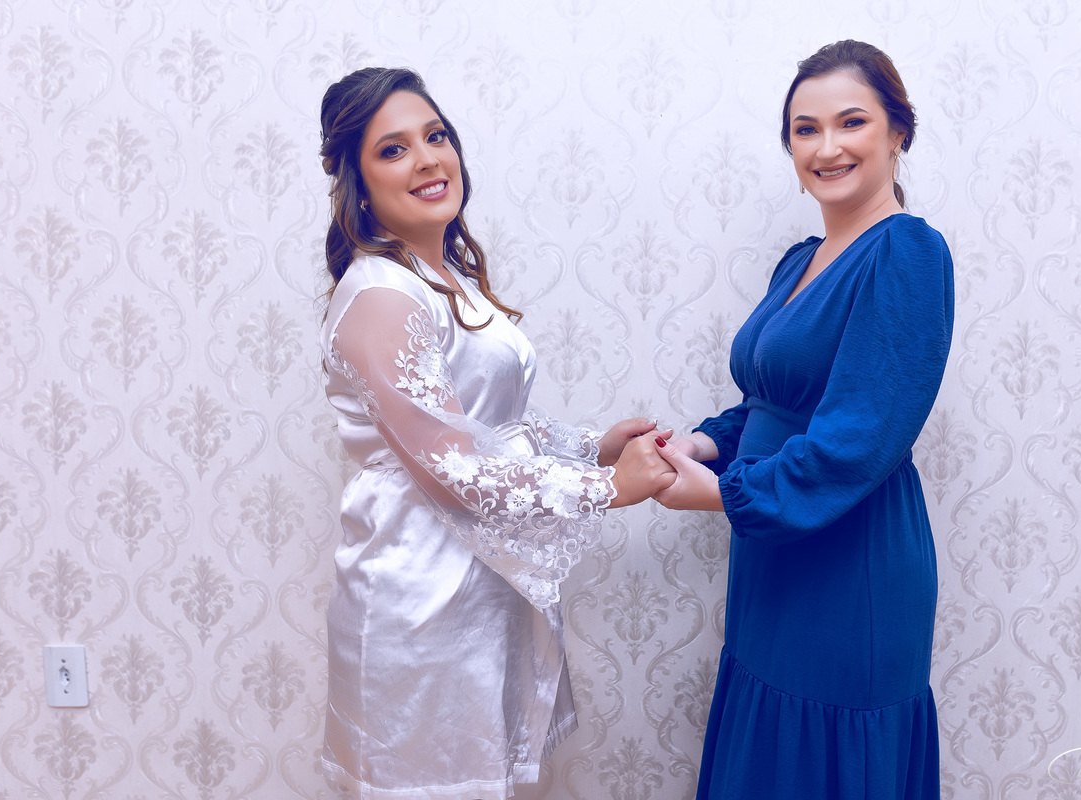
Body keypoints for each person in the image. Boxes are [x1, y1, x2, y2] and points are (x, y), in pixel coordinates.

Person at [316, 67, 673, 800]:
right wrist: (606, 488)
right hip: (420, 596)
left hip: (475, 588)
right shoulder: (382, 293)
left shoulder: (442, 275)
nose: (426, 160)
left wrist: (589, 448)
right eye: (393, 149)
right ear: (358, 184)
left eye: (435, 136)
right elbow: (454, 467)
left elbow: (484, 424)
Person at [648, 40, 953, 799]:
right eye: (805, 129)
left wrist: (724, 494)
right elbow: (769, 403)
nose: (826, 147)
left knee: (826, 756)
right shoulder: (801, 258)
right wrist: (704, 443)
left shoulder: (908, 252)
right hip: (773, 544)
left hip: (851, 551)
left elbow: (861, 436)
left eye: (851, 122)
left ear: (898, 131)